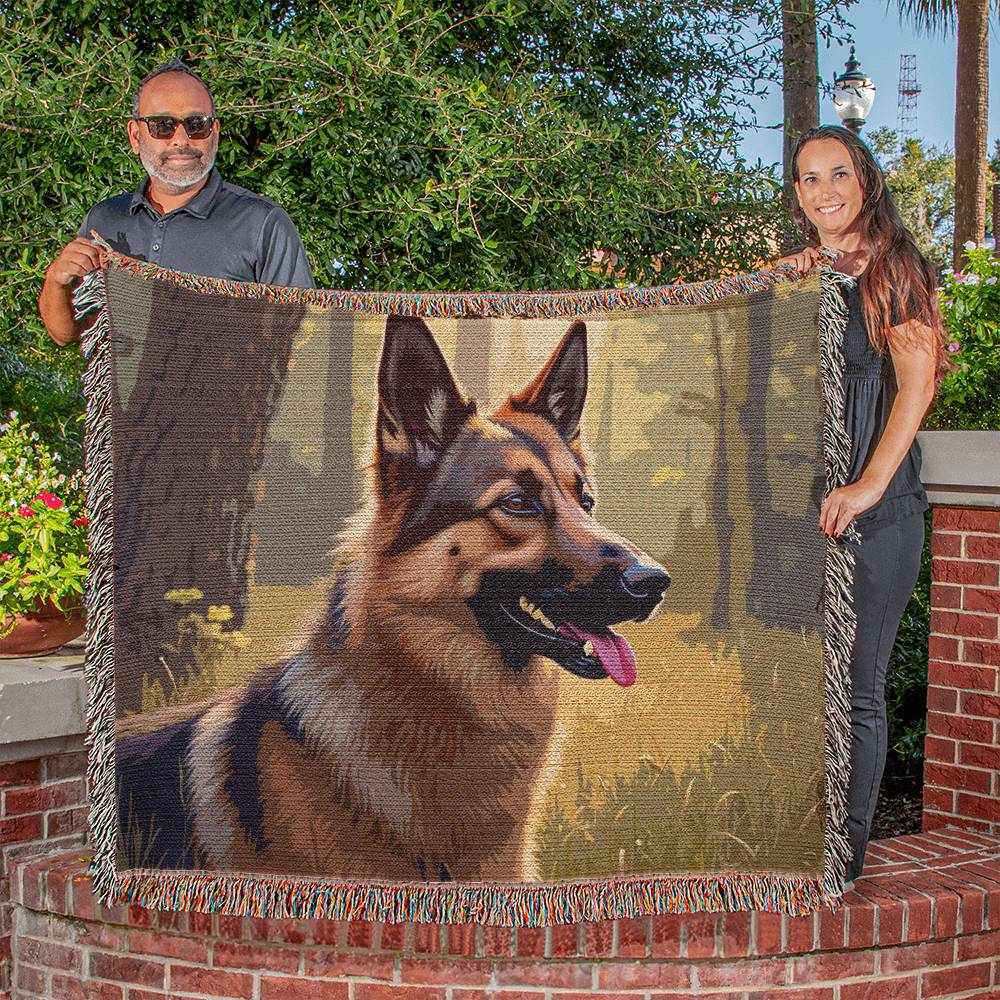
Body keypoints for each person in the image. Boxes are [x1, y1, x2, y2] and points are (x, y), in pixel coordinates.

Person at [775, 124, 944, 887]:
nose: (824, 192)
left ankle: (844, 858)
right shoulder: (811, 274)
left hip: (877, 515)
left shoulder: (896, 270)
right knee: (805, 684)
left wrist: (869, 486)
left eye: (837, 174)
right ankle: (797, 842)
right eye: (808, 180)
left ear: (866, 180)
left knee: (859, 691)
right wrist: (788, 282)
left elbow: (918, 384)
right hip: (811, 516)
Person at [39, 57, 314, 346]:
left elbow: (303, 341)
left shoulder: (262, 224)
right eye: (163, 125)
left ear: (215, 133)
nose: (181, 139)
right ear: (135, 136)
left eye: (197, 124)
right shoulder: (104, 219)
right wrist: (56, 280)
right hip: (125, 394)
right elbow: (66, 335)